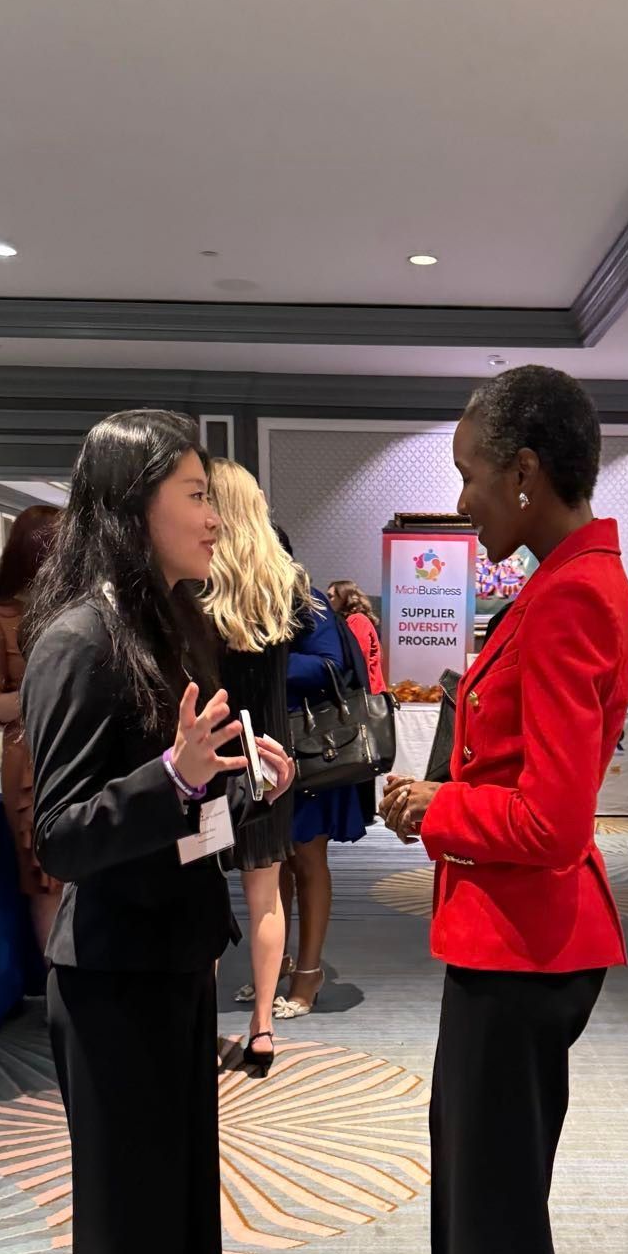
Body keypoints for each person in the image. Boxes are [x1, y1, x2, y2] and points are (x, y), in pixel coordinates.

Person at [379, 365, 628, 1254]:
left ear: (525, 473)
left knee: (498, 1227)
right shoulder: (559, 580)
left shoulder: (575, 593)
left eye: (472, 474)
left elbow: (549, 818)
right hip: (504, 940)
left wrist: (434, 807)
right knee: (480, 1208)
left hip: (526, 947)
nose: (465, 497)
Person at [21, 409, 295, 1254]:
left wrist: (239, 780)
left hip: (176, 957)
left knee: (177, 1210)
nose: (215, 516)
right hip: (112, 981)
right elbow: (63, 834)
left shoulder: (166, 624)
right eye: (193, 493)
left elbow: (182, 806)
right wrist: (174, 778)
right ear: (133, 506)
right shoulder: (78, 638)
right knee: (127, 1229)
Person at [206, 457, 308, 1075]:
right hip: (270, 760)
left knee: (203, 894)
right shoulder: (283, 578)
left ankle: (200, 1021)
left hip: (210, 757)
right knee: (266, 896)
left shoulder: (196, 581)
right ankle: (263, 1027)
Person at [274, 555, 367, 1020]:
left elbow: (330, 665)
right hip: (263, 746)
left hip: (309, 750)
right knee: (271, 862)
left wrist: (262, 659)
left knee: (307, 858)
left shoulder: (303, 598)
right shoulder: (240, 597)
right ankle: (275, 962)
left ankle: (308, 973)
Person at [0, 504, 63, 954]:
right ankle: (60, 985)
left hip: (83, 748)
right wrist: (40, 692)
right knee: (47, 877)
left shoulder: (81, 607)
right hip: (30, 761)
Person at [327, 581, 385, 693]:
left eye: (331, 596)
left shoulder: (356, 620)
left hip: (367, 692)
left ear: (343, 597)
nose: (328, 601)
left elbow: (359, 660)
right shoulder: (352, 620)